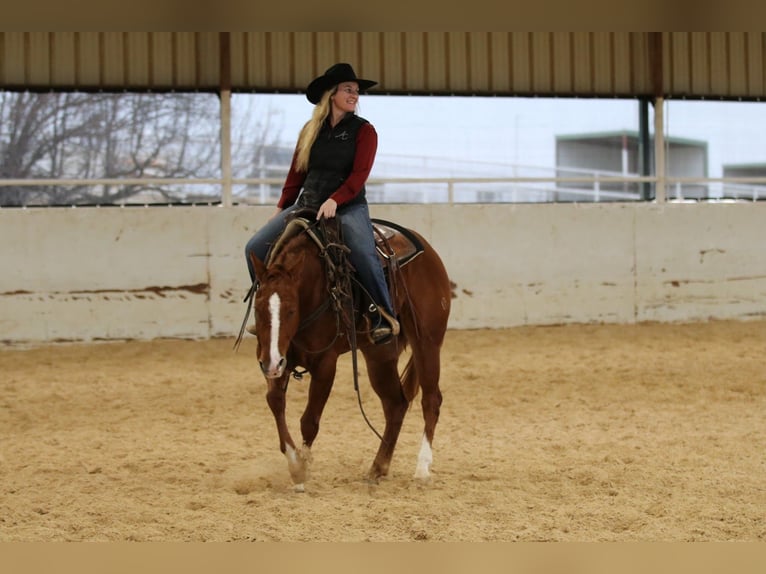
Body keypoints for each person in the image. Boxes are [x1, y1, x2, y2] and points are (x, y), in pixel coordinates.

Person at [244, 63, 400, 344]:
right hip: (307, 204)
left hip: (349, 205)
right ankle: (267, 311)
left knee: (364, 254)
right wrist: (281, 207)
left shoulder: (364, 131)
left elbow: (359, 175)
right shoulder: (310, 130)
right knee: (254, 247)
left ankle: (383, 315)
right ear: (332, 94)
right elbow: (297, 172)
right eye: (348, 90)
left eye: (356, 91)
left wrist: (335, 200)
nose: (355, 95)